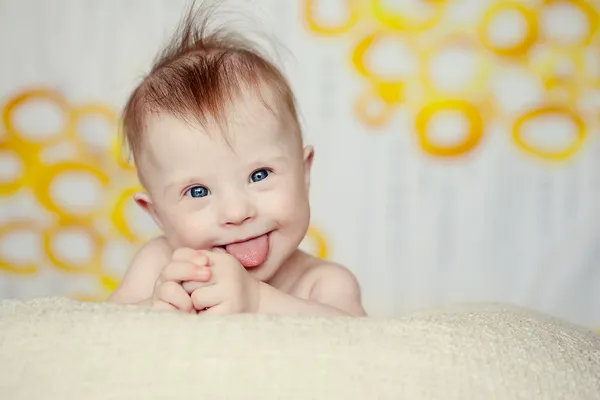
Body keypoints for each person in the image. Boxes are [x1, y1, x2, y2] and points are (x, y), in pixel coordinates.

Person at [107, 1, 366, 317]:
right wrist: (155, 307)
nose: (237, 212)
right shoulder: (159, 265)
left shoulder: (322, 283)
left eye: (260, 174)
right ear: (157, 213)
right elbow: (105, 330)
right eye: (197, 191)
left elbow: (359, 342)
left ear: (304, 172)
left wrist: (258, 301)